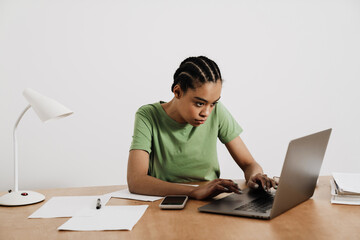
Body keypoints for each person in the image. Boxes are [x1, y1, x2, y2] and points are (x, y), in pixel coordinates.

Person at [127, 56, 277, 200]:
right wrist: (193, 191)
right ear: (177, 92)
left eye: (213, 104)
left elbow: (249, 164)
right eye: (199, 103)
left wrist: (255, 176)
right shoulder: (148, 115)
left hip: (210, 201)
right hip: (167, 201)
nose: (206, 112)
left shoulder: (217, 112)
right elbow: (136, 181)